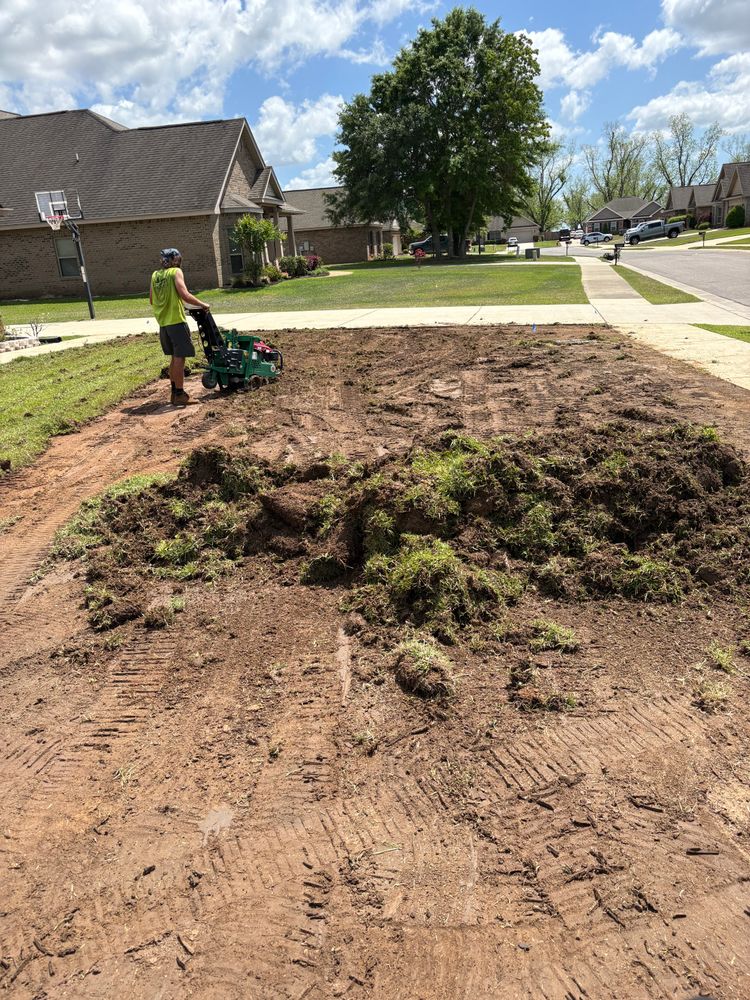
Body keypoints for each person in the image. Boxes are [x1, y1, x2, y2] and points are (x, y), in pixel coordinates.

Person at [150, 248, 211, 405]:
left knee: (174, 358)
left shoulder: (155, 275)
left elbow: (152, 300)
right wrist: (202, 304)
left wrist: (170, 303)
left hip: (163, 323)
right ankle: (179, 394)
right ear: (174, 261)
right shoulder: (175, 272)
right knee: (180, 358)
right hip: (176, 321)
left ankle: (174, 392)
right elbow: (184, 294)